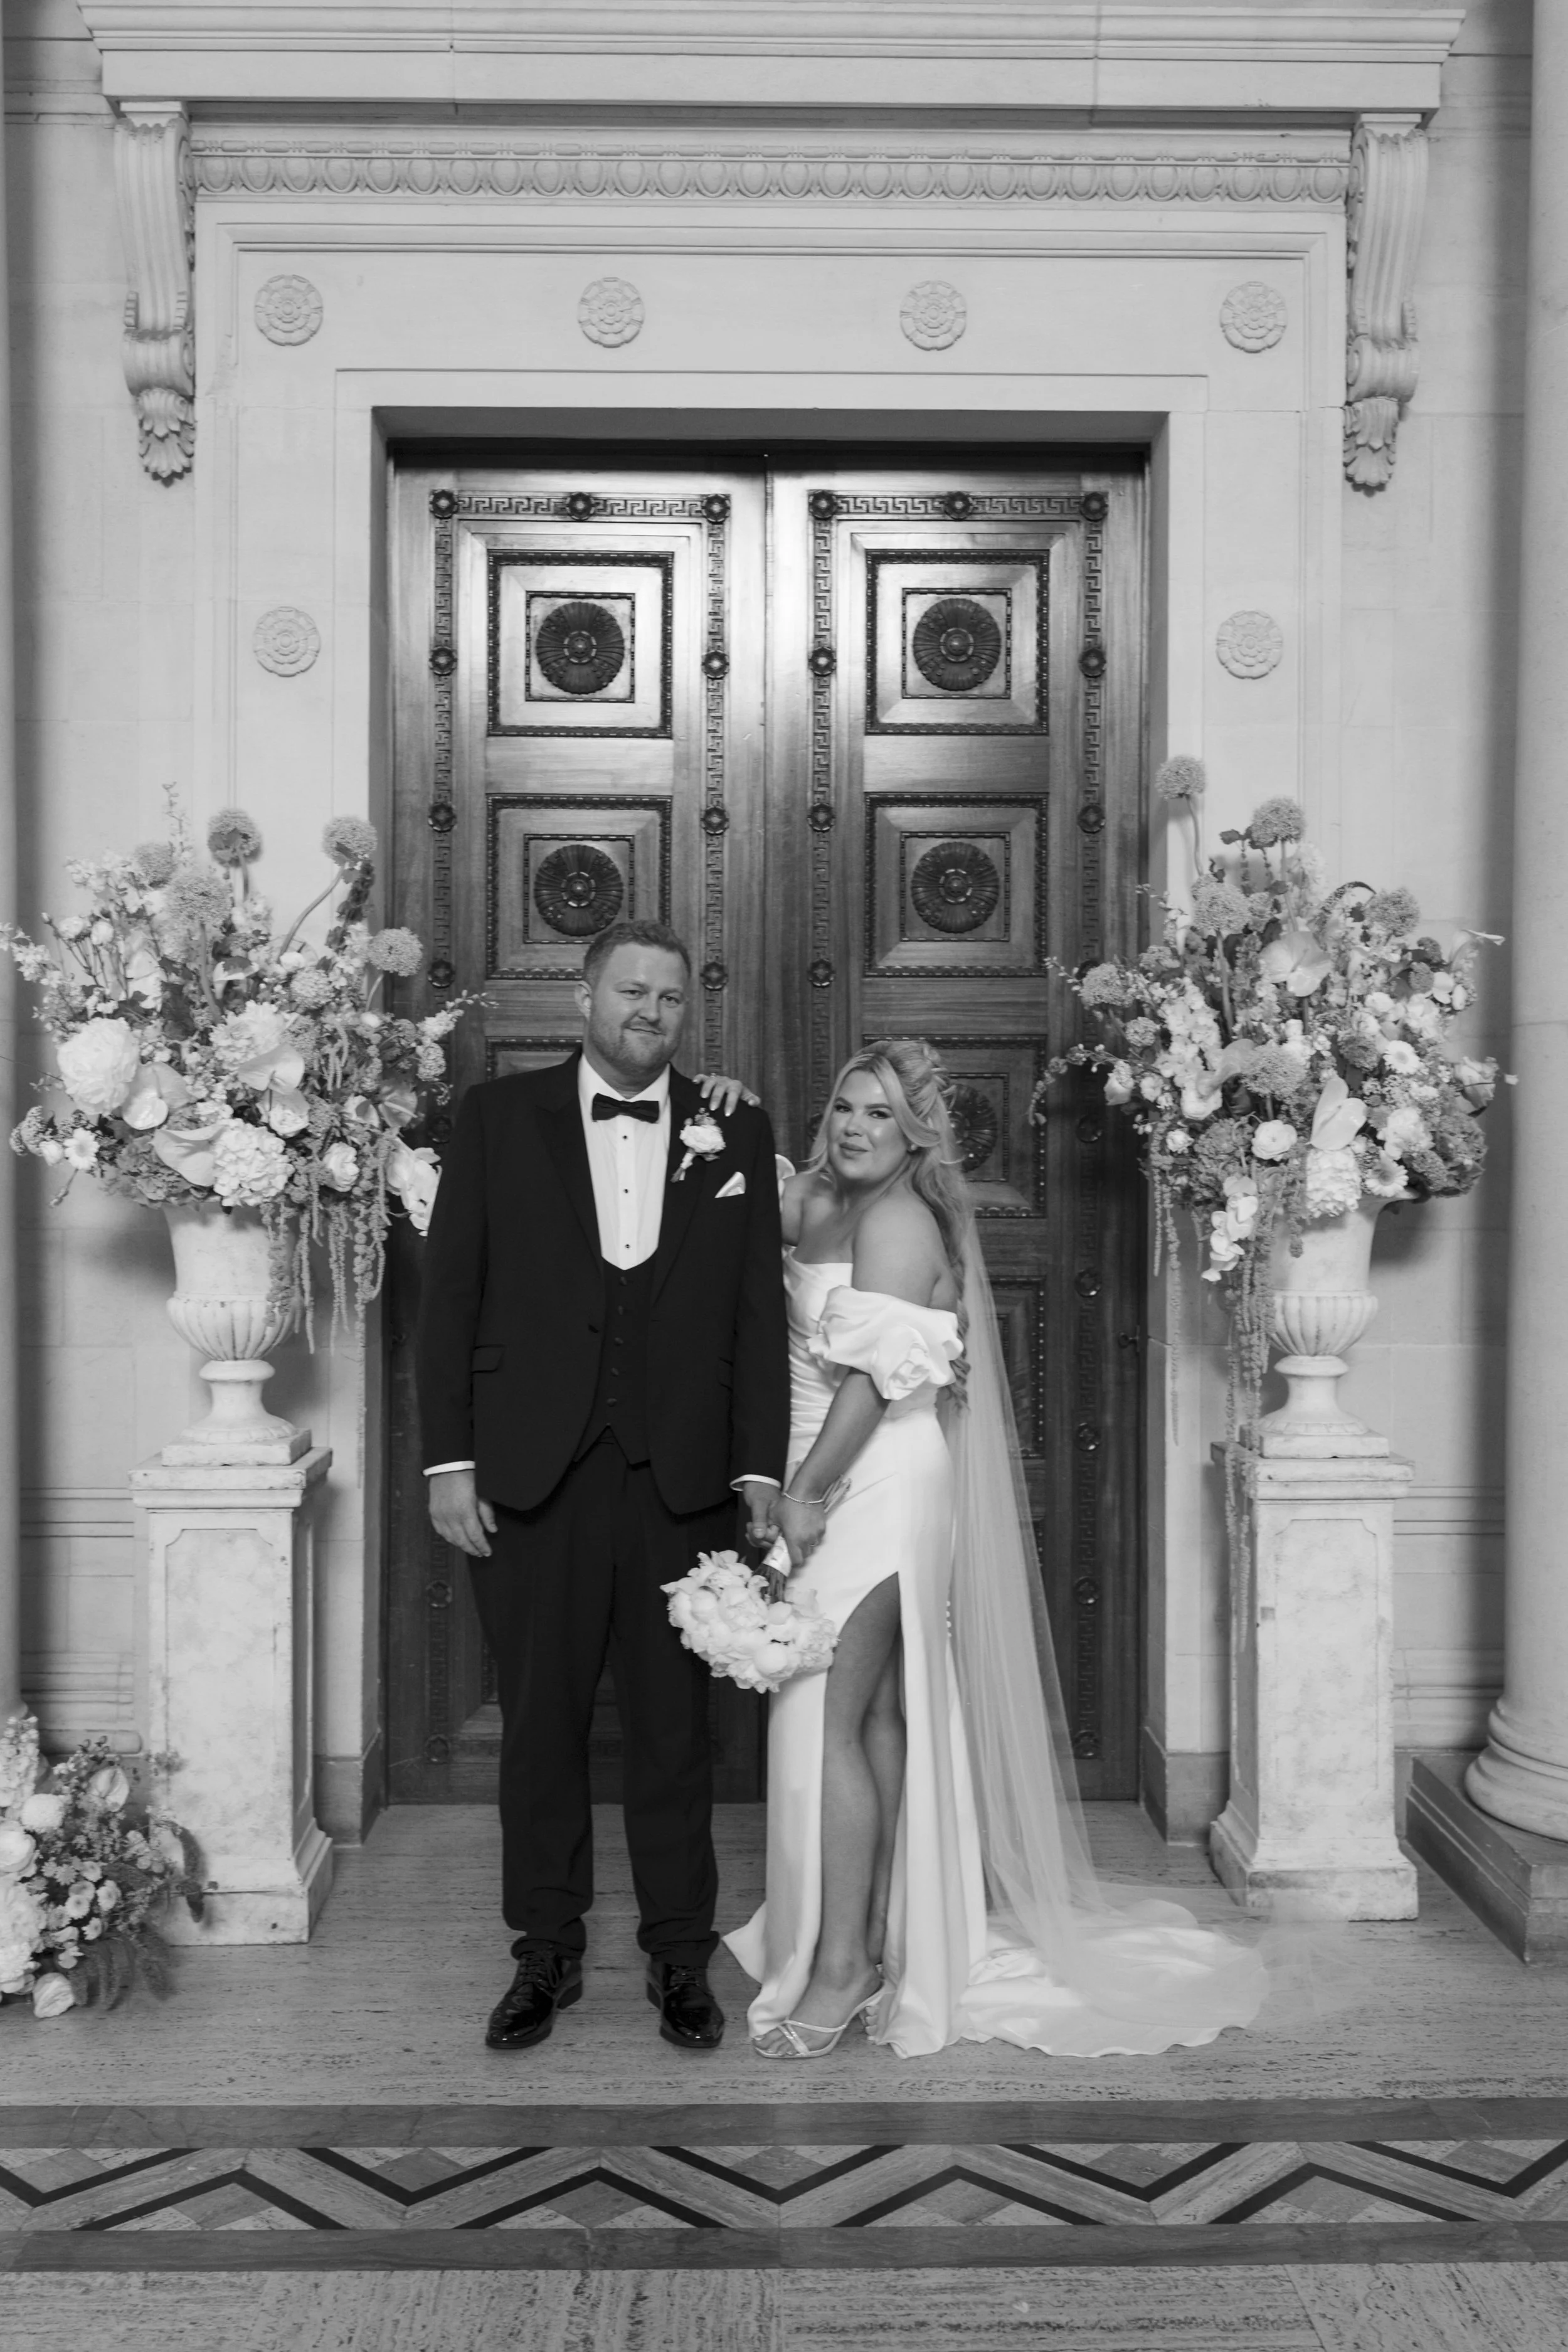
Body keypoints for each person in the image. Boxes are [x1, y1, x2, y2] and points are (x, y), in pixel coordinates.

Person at [726, 1038, 1269, 2059]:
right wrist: (727, 1111)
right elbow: (729, 1252)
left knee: (825, 1712)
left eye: (881, 1115)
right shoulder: (809, 1196)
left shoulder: (897, 1219)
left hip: (876, 1477)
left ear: (915, 1134)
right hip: (821, 1465)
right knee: (880, 1708)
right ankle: (886, 1928)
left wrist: (803, 1494)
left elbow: (871, 1384)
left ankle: (841, 1969)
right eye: (845, 1105)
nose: (854, 1127)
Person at [418, 918, 789, 2054]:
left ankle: (681, 1954)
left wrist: (759, 1465)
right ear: (584, 997)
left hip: (681, 1479)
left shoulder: (735, 1129)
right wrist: (449, 1461)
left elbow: (755, 1313)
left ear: (687, 1013)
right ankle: (545, 1950)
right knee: (541, 1724)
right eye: (630, 991)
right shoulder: (494, 1120)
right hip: (533, 1474)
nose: (649, 1013)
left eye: (670, 999)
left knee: (678, 1735)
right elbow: (451, 1299)